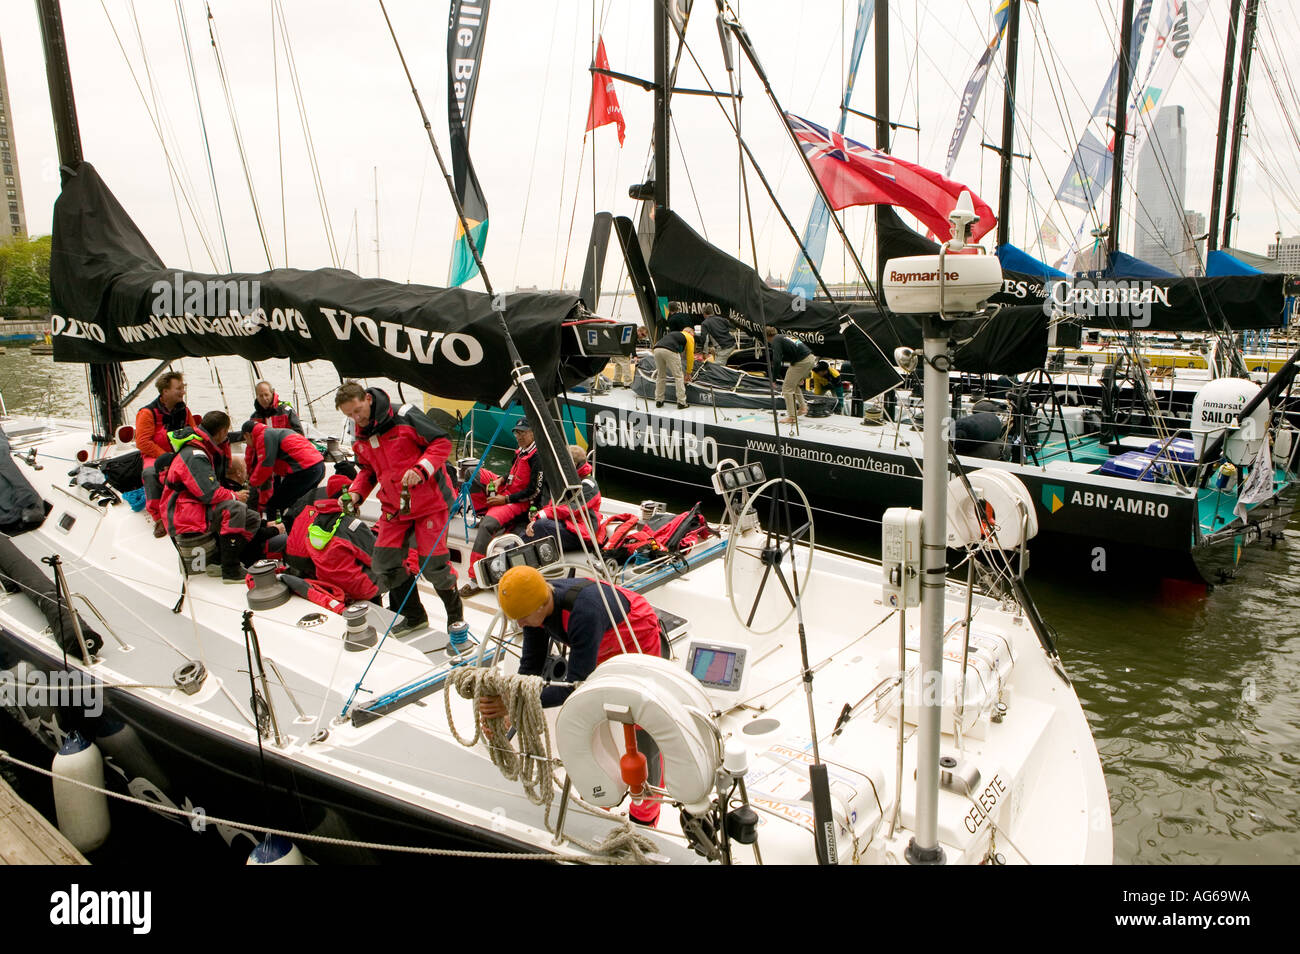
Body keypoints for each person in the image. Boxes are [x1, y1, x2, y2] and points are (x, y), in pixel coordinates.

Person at [480, 565, 666, 825]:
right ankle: (606, 791)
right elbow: (530, 667)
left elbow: (576, 685)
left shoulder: (583, 613)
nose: (519, 624)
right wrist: (513, 707)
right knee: (594, 714)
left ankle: (646, 814)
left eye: (521, 619)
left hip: (635, 635)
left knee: (641, 722)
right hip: (598, 644)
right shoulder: (534, 607)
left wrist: (512, 704)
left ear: (539, 606)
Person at [334, 382, 462, 633]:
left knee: (433, 564)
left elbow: (442, 443)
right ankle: (415, 616)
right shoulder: (360, 437)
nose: (356, 418)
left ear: (368, 399)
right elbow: (368, 471)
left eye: (358, 410)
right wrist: (355, 494)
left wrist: (421, 468)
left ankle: (455, 620)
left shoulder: (404, 416)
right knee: (384, 562)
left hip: (430, 503)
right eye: (349, 415)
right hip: (395, 507)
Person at [160, 410, 261, 583]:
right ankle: (230, 570)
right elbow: (209, 493)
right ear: (221, 431)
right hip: (183, 512)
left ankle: (218, 561)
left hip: (193, 504)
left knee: (252, 518)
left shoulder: (204, 448)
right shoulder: (196, 455)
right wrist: (234, 496)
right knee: (236, 509)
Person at [464, 420, 545, 590]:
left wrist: (505, 500)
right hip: (507, 491)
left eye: (523, 433)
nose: (519, 436)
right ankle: (484, 511)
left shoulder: (538, 457)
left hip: (518, 501)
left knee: (487, 526)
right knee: (472, 473)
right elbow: (513, 472)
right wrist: (500, 479)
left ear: (532, 432)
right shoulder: (522, 451)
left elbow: (534, 491)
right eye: (517, 433)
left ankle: (476, 577)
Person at [136, 371, 195, 538]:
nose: (183, 392)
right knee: (150, 473)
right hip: (154, 455)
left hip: (178, 453)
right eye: (179, 389)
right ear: (165, 391)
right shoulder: (147, 414)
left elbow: (193, 433)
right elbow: (143, 442)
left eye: (183, 388)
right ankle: (159, 518)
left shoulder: (184, 411)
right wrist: (165, 457)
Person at [239, 420, 326, 528]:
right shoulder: (274, 432)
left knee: (274, 505)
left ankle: (275, 535)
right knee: (302, 503)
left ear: (248, 435)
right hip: (318, 465)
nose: (247, 444)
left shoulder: (263, 437)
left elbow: (265, 466)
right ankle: (301, 530)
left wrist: (250, 485)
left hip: (304, 470)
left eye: (245, 440)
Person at [524, 445, 601, 554]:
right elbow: (554, 505)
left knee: (542, 525)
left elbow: (569, 508)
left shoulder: (588, 485)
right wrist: (537, 516)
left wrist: (540, 515)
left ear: (573, 465)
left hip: (582, 534)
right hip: (568, 525)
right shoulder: (569, 481)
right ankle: (513, 548)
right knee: (536, 525)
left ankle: (515, 551)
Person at [764, 326, 818, 423]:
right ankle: (803, 407)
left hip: (801, 362)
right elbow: (801, 348)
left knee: (787, 388)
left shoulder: (775, 340)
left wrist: (773, 379)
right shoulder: (785, 336)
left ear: (767, 337)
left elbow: (776, 361)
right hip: (810, 358)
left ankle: (792, 417)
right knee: (794, 385)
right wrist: (804, 375)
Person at [652, 316, 694, 410]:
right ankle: (681, 402)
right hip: (670, 350)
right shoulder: (689, 336)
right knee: (678, 377)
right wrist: (688, 372)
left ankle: (659, 400)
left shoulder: (674, 334)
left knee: (661, 376)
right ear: (690, 332)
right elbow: (690, 356)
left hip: (657, 348)